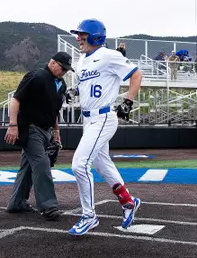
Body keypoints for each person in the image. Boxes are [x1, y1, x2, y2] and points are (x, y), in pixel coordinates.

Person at [68, 19, 143, 236]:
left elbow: (136, 75)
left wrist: (128, 101)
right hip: (88, 120)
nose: (78, 38)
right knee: (102, 164)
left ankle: (89, 216)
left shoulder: (110, 55)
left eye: (82, 34)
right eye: (78, 34)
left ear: (95, 36)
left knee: (79, 165)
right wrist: (72, 92)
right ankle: (128, 202)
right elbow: (84, 86)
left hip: (103, 118)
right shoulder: (81, 60)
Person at [4, 51, 72, 221]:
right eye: (62, 68)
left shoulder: (61, 85)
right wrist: (13, 125)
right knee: (42, 163)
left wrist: (56, 132)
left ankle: (17, 202)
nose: (63, 72)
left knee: (28, 167)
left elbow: (54, 111)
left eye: (66, 70)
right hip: (30, 127)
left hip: (45, 130)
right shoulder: (36, 76)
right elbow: (16, 100)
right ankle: (49, 206)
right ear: (52, 62)